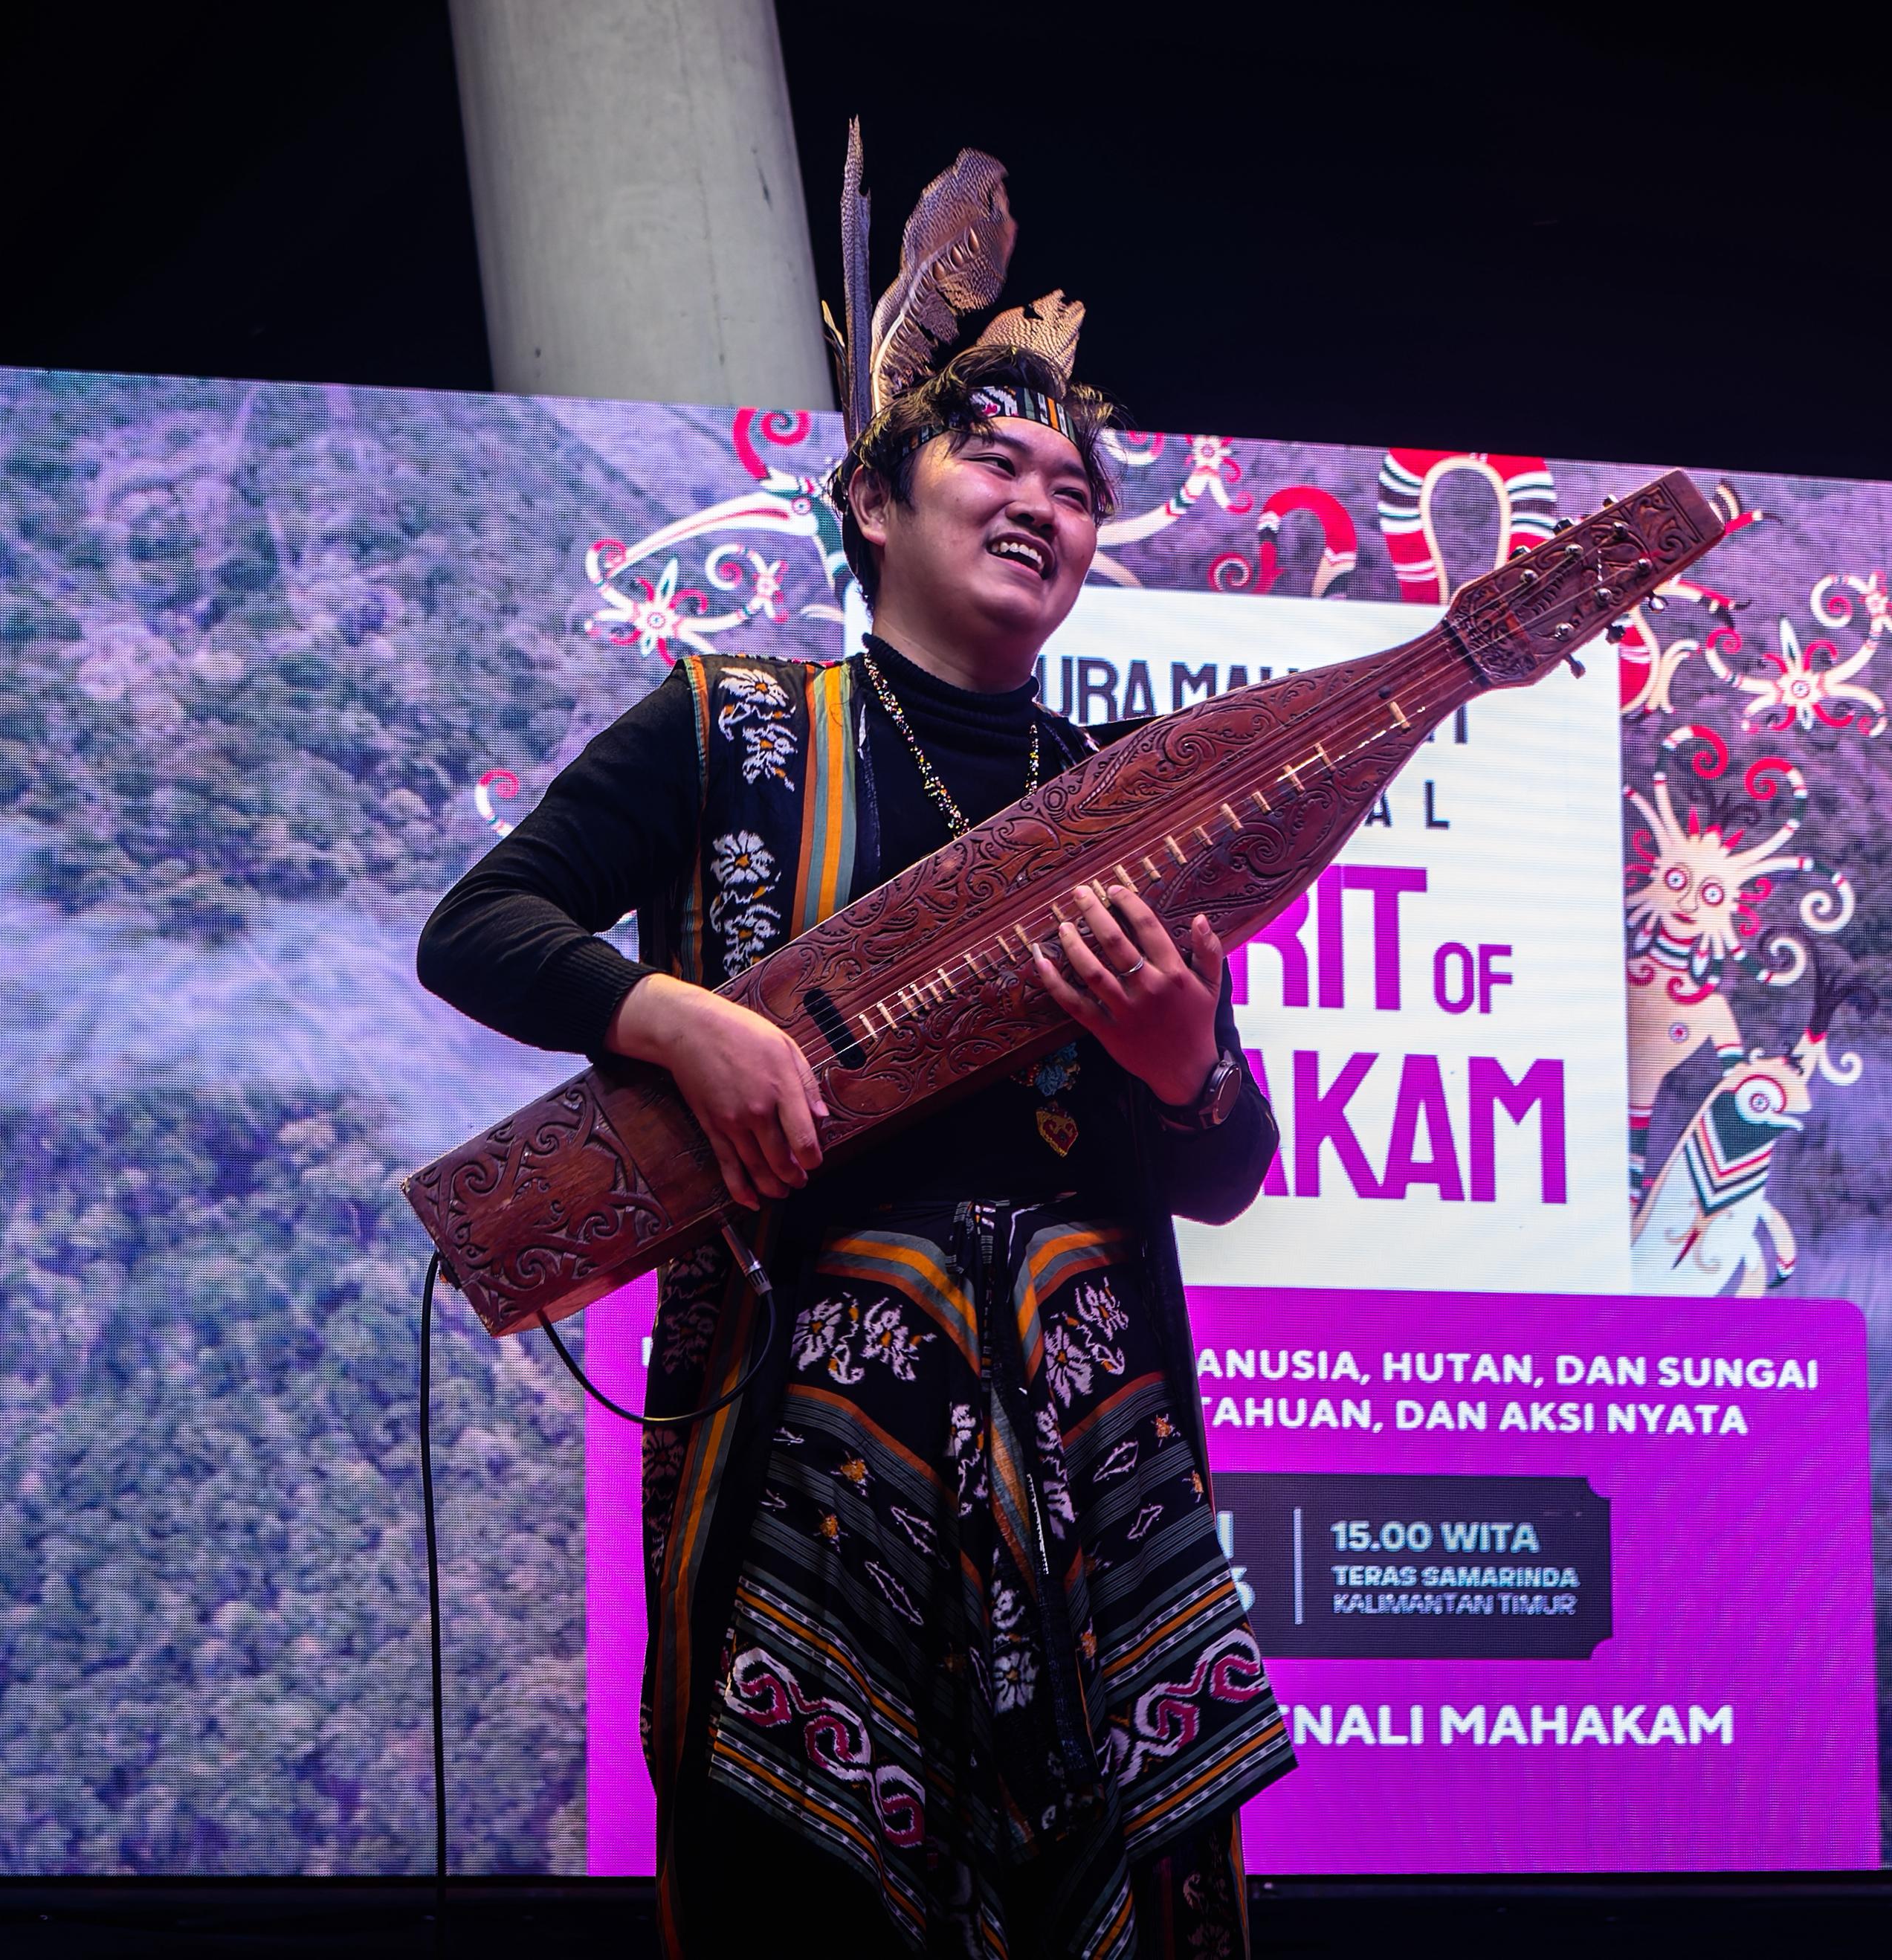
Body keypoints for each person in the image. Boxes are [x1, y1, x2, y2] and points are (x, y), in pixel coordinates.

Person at [417, 155, 1291, 1959]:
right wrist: (679, 1022)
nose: (1044, 501)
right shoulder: (730, 726)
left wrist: (1180, 1052)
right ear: (874, 503)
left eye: (1078, 488)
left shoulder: (1113, 794)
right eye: (995, 460)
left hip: (1093, 1449)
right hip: (809, 1442)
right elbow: (482, 928)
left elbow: (1220, 1162)